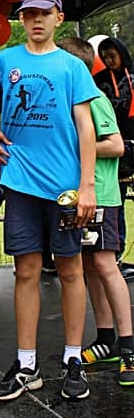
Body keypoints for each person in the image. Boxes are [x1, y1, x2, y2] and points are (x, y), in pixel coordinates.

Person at [0, 0, 98, 404]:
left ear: (59, 18)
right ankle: (27, 365)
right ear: (21, 18)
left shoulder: (72, 67)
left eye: (44, 13)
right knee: (25, 271)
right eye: (29, 13)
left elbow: (86, 127)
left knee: (70, 271)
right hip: (20, 181)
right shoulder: (7, 60)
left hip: (64, 187)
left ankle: (73, 359)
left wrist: (86, 185)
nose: (36, 20)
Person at [58, 37, 134, 386]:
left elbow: (116, 145)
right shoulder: (67, 101)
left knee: (105, 265)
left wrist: (78, 146)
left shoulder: (95, 99)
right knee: (88, 265)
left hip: (101, 194)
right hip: (76, 197)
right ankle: (105, 339)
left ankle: (128, 345)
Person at [93, 37, 134, 262]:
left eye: (112, 56)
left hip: (129, 146)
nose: (109, 61)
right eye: (105, 57)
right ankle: (114, 251)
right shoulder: (99, 81)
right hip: (110, 147)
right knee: (114, 202)